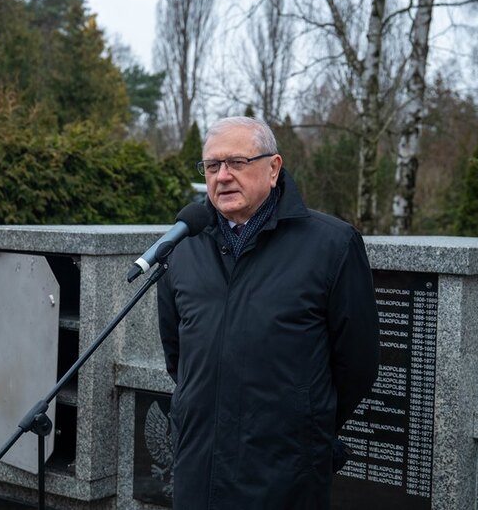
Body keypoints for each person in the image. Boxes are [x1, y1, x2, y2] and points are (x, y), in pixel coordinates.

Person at [156, 116, 379, 509]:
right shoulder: (183, 248)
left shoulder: (332, 245)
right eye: (212, 165)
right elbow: (179, 356)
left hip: (285, 473)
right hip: (199, 469)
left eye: (237, 162)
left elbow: (357, 365)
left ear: (273, 168)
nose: (223, 176)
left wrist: (301, 423)